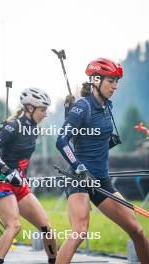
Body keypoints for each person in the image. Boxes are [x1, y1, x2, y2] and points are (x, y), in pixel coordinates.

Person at [56, 58, 149, 264]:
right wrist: (78, 166)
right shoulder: (82, 107)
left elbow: (95, 141)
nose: (115, 86)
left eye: (117, 81)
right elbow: (62, 141)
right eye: (111, 81)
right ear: (96, 80)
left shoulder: (107, 106)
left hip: (101, 180)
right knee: (80, 231)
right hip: (79, 178)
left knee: (137, 230)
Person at [0, 87, 57, 264]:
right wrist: (7, 171)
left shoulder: (34, 129)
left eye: (46, 110)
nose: (45, 114)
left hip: (20, 184)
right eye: (42, 110)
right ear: (29, 108)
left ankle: (55, 261)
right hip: (4, 183)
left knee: (47, 228)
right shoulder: (14, 126)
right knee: (14, 225)